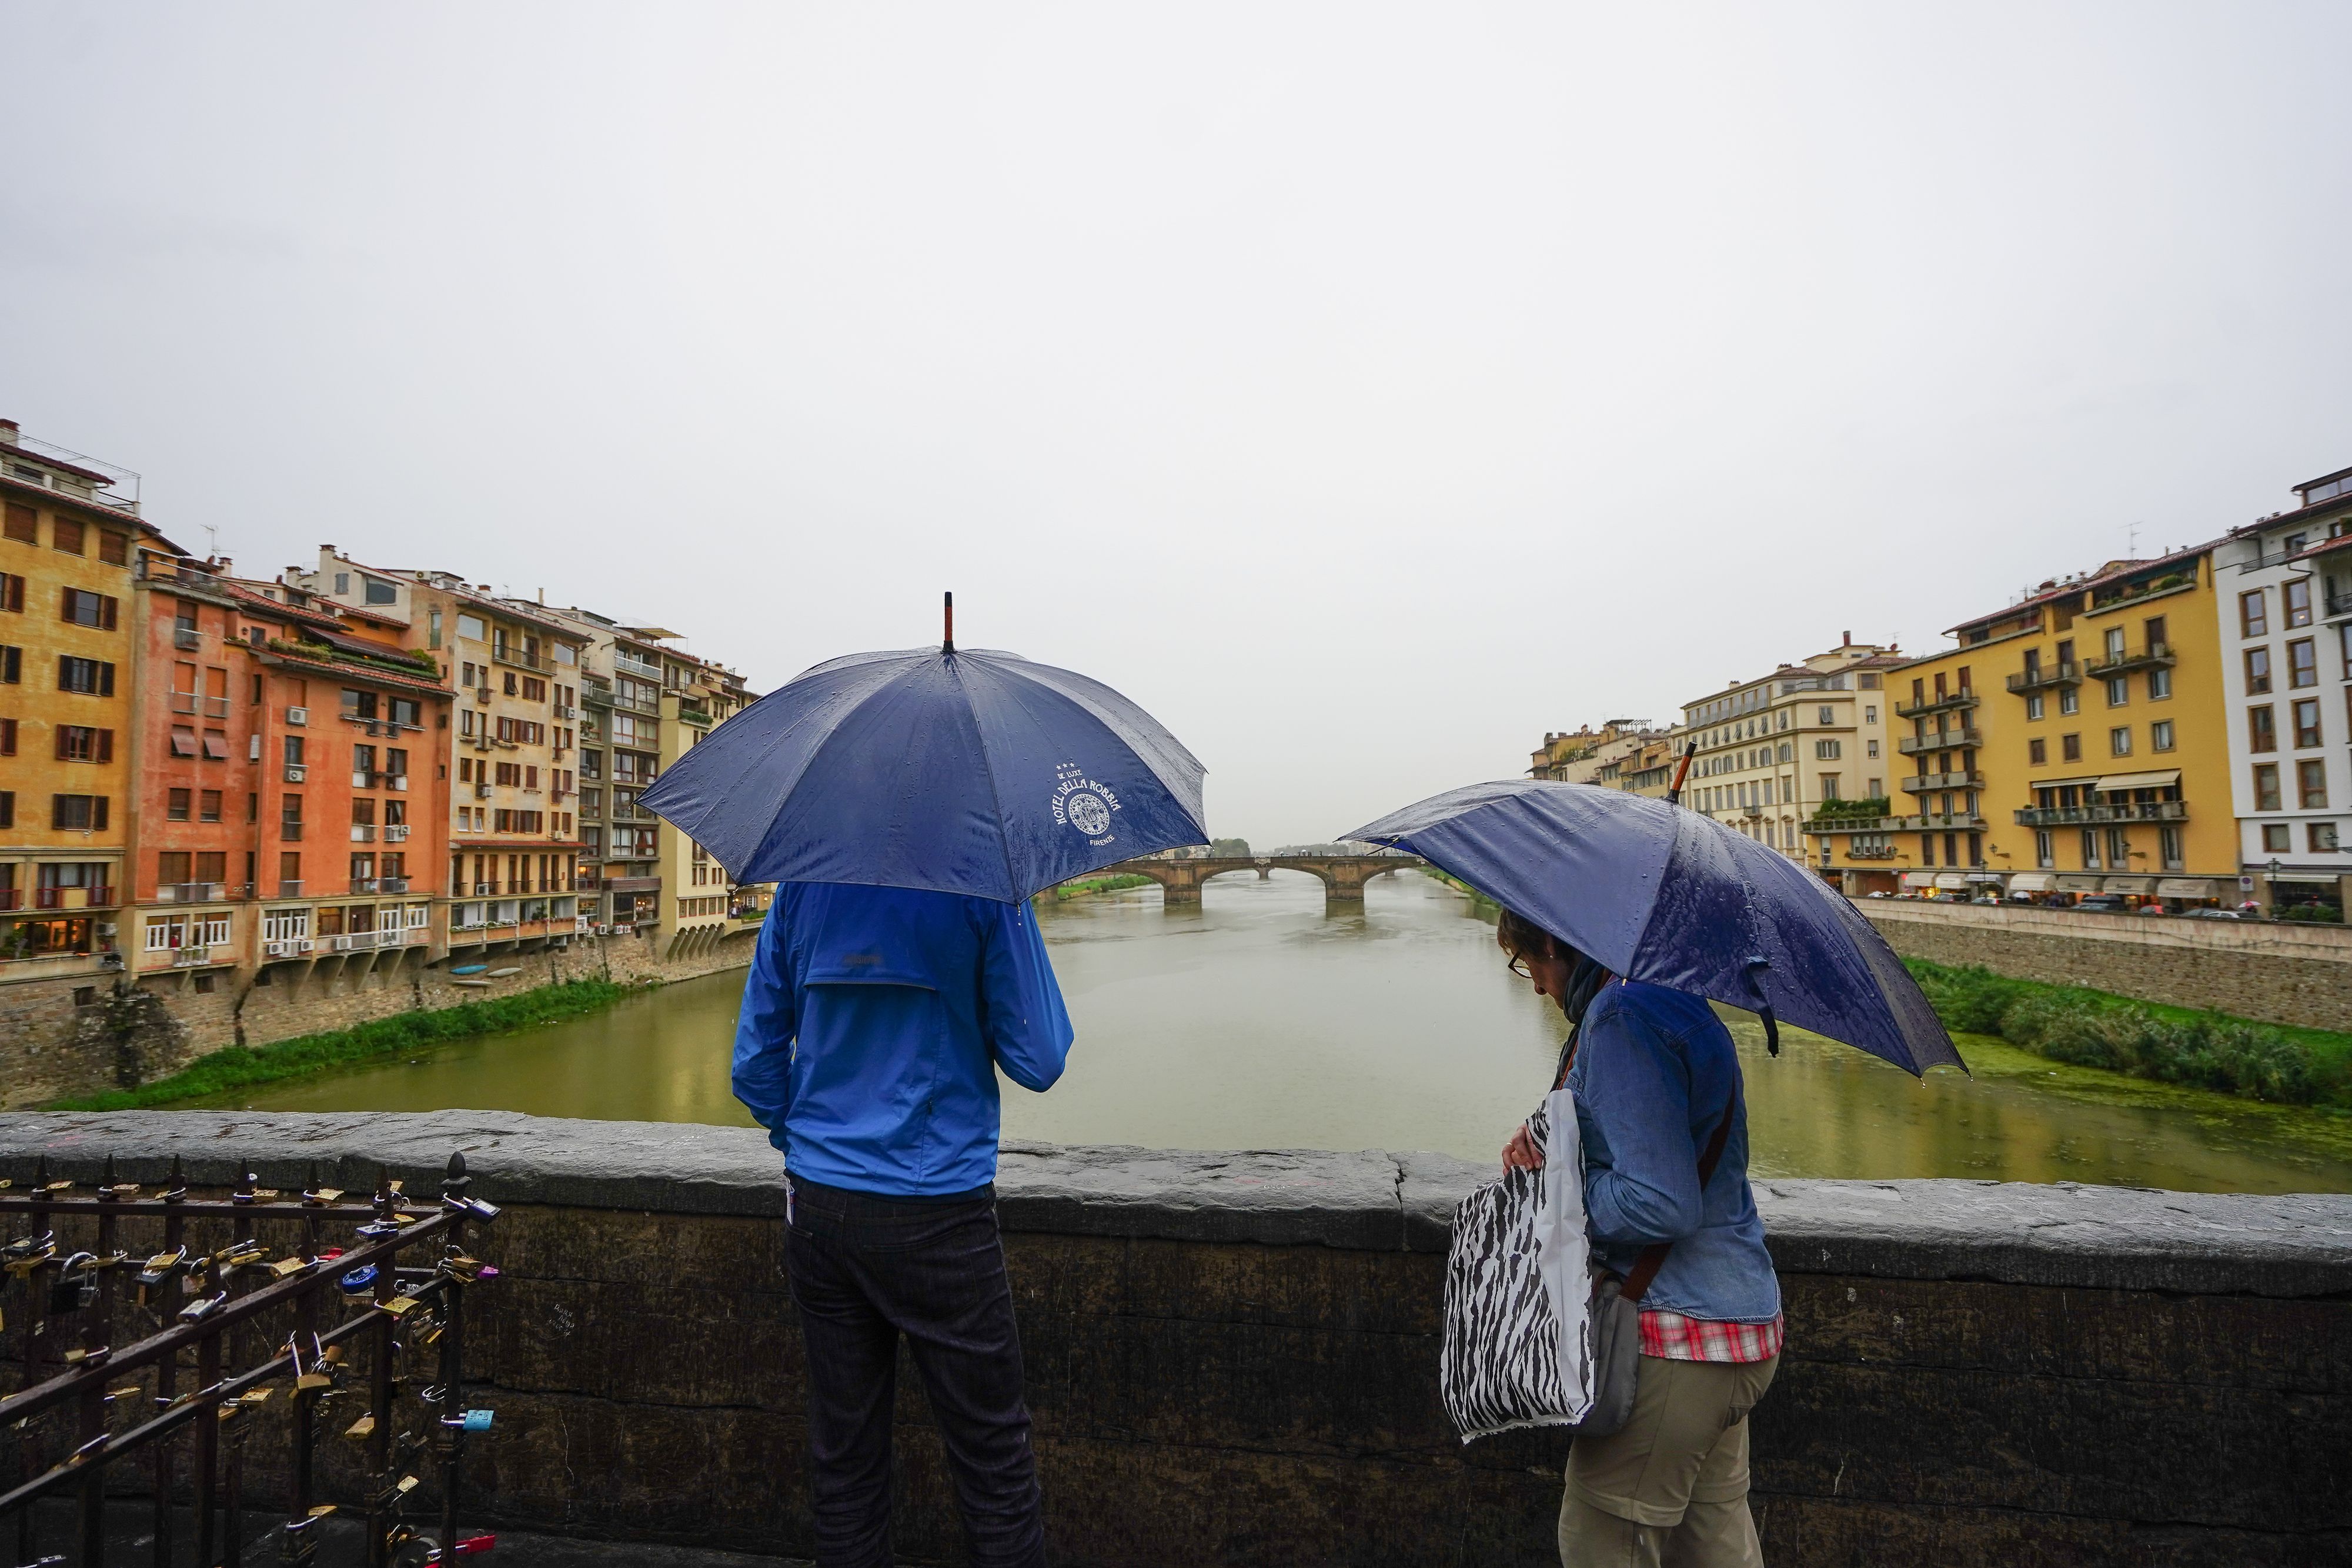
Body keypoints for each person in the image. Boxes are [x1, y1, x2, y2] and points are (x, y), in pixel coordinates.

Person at [734, 881, 1075, 1568]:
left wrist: (804, 1141)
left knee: (845, 1454)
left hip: (819, 1209)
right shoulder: (985, 887)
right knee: (991, 1458)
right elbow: (1037, 1061)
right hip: (938, 1209)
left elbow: (755, 1067)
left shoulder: (803, 891)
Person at [1495, 908, 1782, 1568]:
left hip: (1670, 1339)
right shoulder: (1669, 995)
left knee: (1603, 1541)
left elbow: (1656, 1204)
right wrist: (1552, 1138)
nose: (1536, 986)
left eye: (1527, 963)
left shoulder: (1622, 1017)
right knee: (1712, 1546)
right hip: (1737, 1327)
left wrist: (1561, 1190)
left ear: (1549, 939)